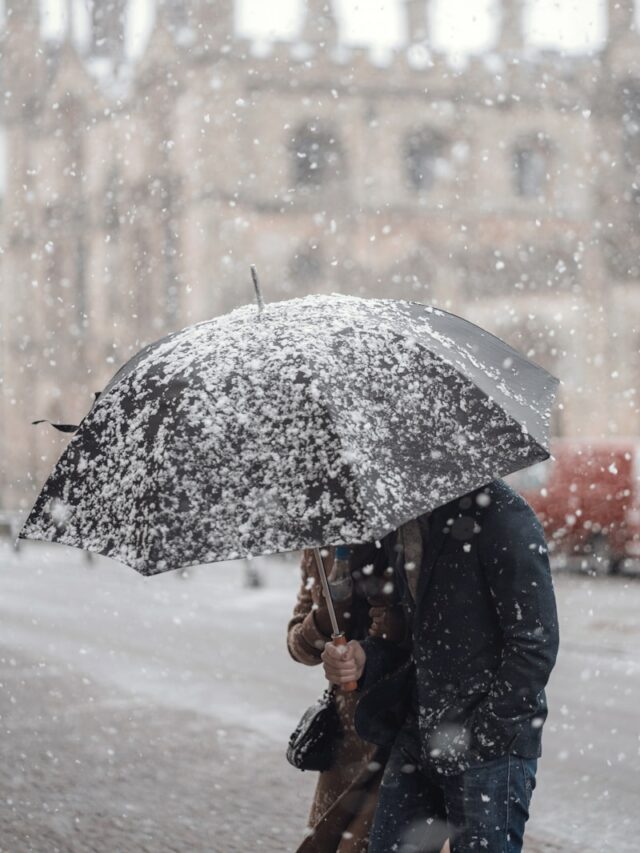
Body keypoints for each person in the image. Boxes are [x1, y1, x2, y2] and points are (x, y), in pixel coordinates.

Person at [321, 479, 560, 853]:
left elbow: (535, 643)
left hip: (487, 748)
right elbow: (417, 639)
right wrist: (365, 658)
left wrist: (487, 734)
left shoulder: (502, 514)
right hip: (419, 737)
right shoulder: (407, 520)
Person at [287, 543, 406, 853]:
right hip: (347, 729)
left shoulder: (396, 534)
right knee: (328, 838)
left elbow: (398, 632)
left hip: (397, 716)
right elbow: (298, 646)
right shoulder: (315, 547)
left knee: (364, 841)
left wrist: (367, 650)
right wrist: (327, 616)